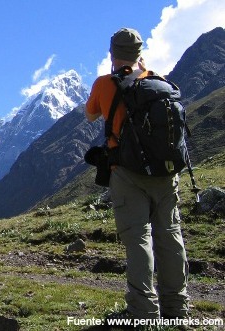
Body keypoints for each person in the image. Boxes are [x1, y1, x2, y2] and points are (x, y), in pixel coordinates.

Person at [85, 28, 190, 320]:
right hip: (167, 174)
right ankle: (178, 309)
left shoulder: (105, 84)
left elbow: (91, 114)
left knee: (139, 239)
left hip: (128, 173)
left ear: (112, 53)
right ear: (140, 53)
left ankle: (143, 311)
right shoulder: (159, 82)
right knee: (170, 236)